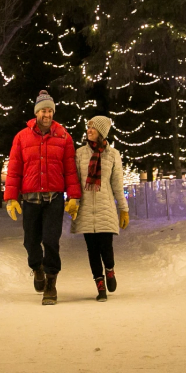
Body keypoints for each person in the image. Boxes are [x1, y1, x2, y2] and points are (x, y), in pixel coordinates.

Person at [4, 89, 82, 305]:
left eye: (50, 111)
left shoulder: (64, 137)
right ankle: (36, 267)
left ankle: (51, 282)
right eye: (43, 111)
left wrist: (73, 197)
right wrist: (11, 198)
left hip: (53, 199)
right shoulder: (21, 137)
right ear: (36, 113)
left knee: (51, 240)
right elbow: (14, 169)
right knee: (30, 241)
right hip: (30, 199)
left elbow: (70, 170)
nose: (47, 115)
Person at [71, 115, 129, 301]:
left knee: (106, 247)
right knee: (92, 250)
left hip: (105, 208)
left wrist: (124, 208)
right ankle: (100, 285)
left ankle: (110, 270)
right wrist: (73, 202)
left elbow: (117, 185)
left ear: (102, 132)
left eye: (93, 128)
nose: (89, 130)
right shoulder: (80, 153)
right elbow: (76, 183)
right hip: (86, 209)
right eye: (88, 127)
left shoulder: (113, 155)